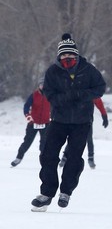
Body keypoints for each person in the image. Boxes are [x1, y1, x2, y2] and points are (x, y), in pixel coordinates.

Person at [31, 33, 106, 212]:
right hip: (59, 120)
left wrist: (81, 95)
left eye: (70, 55)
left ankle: (66, 192)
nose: (67, 58)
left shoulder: (88, 69)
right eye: (63, 55)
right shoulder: (52, 71)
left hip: (82, 122)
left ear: (76, 55)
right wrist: (64, 98)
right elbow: (49, 93)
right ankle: (47, 193)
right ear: (59, 56)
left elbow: (100, 88)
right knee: (48, 155)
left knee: (73, 158)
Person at [59, 97, 109, 169]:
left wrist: (104, 116)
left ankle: (91, 158)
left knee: (88, 139)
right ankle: (65, 157)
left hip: (87, 121)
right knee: (73, 139)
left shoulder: (91, 92)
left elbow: (99, 103)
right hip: (75, 120)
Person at [11, 78, 50, 167]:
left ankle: (44, 161)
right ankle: (18, 158)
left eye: (44, 85)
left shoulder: (50, 95)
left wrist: (52, 116)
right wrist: (28, 116)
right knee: (27, 142)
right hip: (33, 123)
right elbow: (26, 106)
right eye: (41, 85)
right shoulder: (34, 95)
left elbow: (55, 107)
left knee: (44, 143)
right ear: (38, 86)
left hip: (46, 123)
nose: (43, 86)